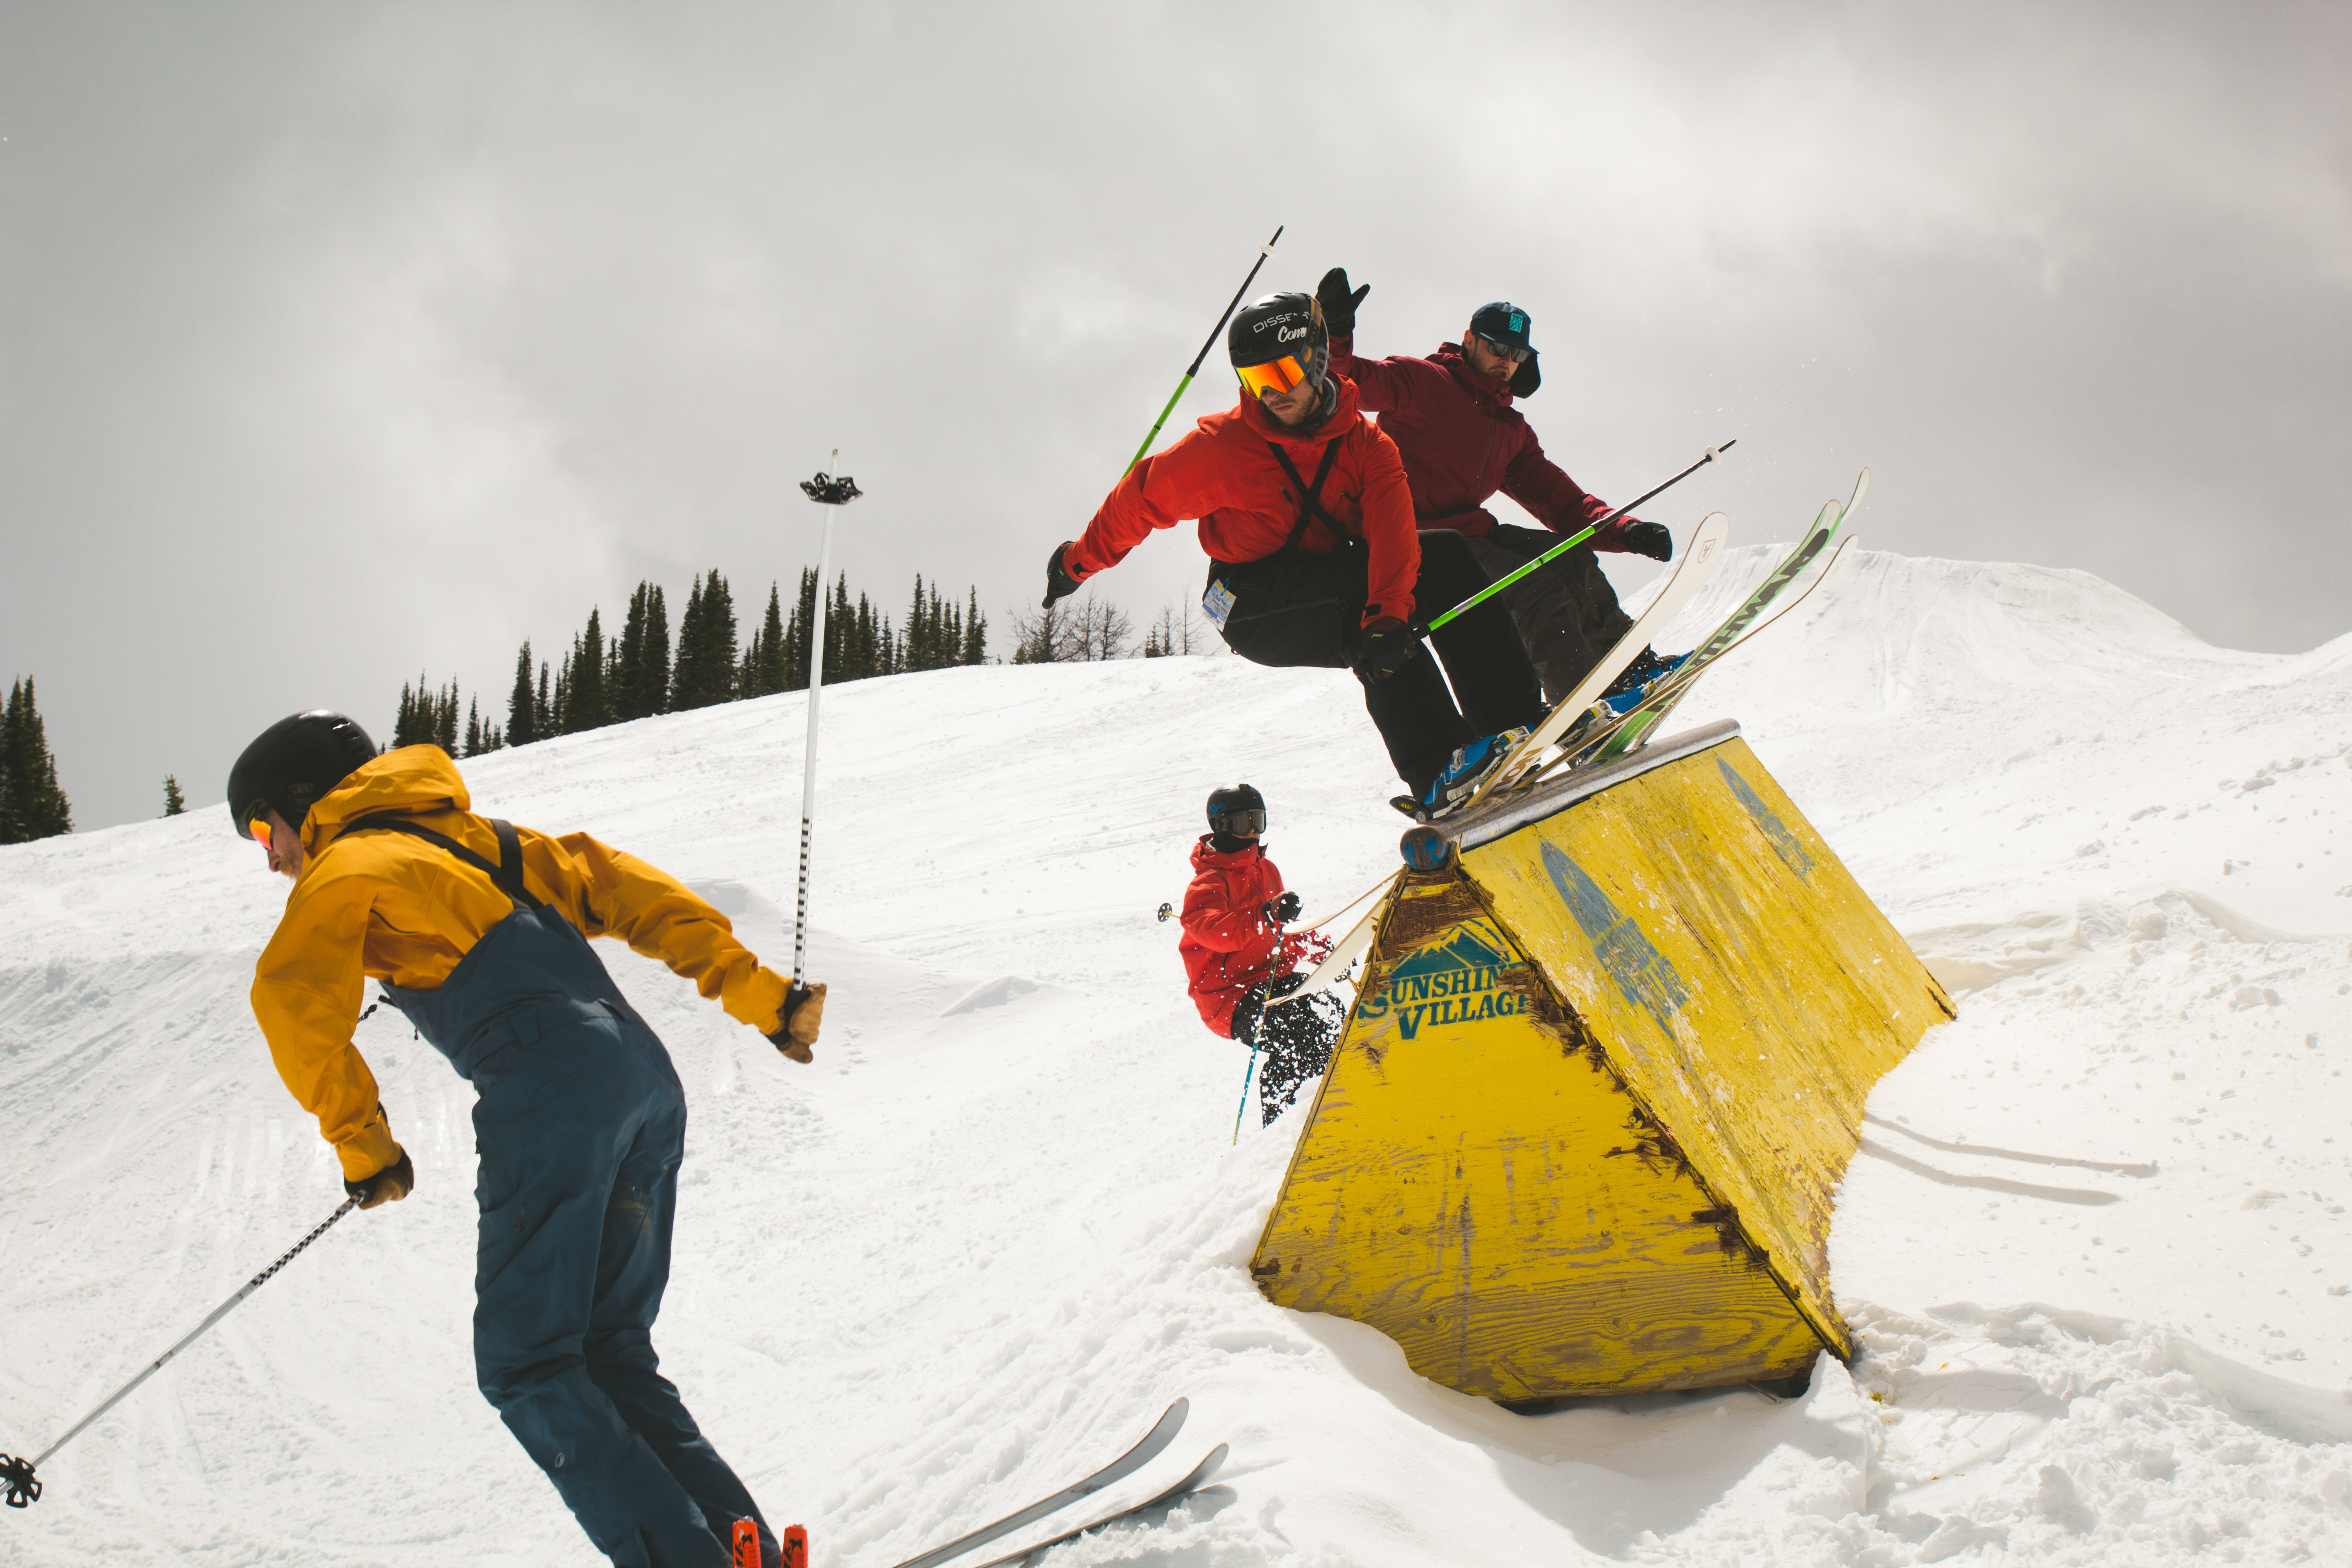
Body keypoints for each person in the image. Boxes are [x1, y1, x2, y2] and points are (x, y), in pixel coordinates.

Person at [227, 710, 824, 1568]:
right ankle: (748, 1559)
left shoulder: (347, 865)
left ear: (300, 802)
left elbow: (291, 1002)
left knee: (529, 1364)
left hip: (551, 1095)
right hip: (644, 1087)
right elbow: (637, 896)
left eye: (260, 827)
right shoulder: (498, 845)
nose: (270, 855)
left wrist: (367, 1149)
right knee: (610, 1353)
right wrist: (763, 996)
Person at [1043, 290, 1548, 814]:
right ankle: (1439, 770)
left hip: (1324, 572)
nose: (1274, 394)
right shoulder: (1223, 447)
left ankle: (1512, 721)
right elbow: (1139, 501)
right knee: (1362, 613)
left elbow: (1394, 536)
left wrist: (1391, 614)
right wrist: (1074, 563)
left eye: (1284, 374)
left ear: (1319, 361)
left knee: (1445, 556)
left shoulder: (1368, 446)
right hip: (1248, 600)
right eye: (1258, 381)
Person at [1316, 269, 1682, 709]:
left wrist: (1625, 530)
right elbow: (1345, 380)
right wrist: (1333, 332)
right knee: (1533, 588)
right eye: (1496, 348)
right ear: (1469, 340)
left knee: (1572, 559)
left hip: (1472, 534)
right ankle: (1582, 705)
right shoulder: (1421, 381)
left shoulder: (1508, 428)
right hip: (1410, 538)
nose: (1506, 360)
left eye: (1517, 354)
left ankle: (1630, 674)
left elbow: (1560, 500)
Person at [1178, 784, 1345, 1124]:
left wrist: (1326, 954)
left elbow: (1286, 930)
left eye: (1259, 821)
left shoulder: (1266, 870)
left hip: (1272, 977)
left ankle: (1340, 1097)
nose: (1253, 831)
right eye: (1243, 824)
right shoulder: (1207, 884)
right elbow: (1217, 932)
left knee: (1330, 1013)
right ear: (1221, 826)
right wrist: (1264, 915)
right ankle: (1286, 1126)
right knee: (1300, 1037)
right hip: (1230, 998)